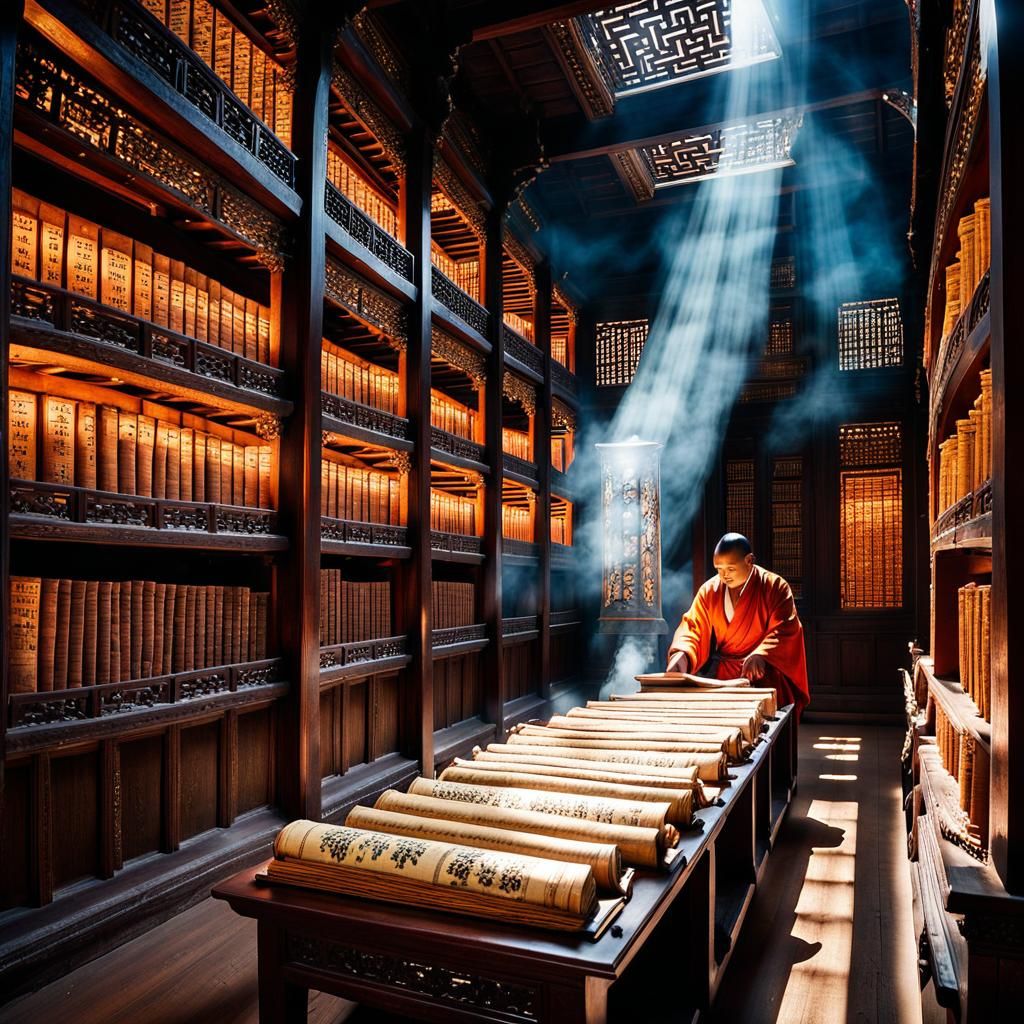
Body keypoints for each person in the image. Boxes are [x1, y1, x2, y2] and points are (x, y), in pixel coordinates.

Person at [666, 532, 809, 713]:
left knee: (767, 735)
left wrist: (762, 654)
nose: (724, 575)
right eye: (719, 569)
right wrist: (682, 654)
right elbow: (693, 627)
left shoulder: (775, 587)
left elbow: (785, 627)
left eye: (731, 569)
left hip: (764, 678)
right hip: (726, 680)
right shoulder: (710, 590)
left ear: (749, 560)